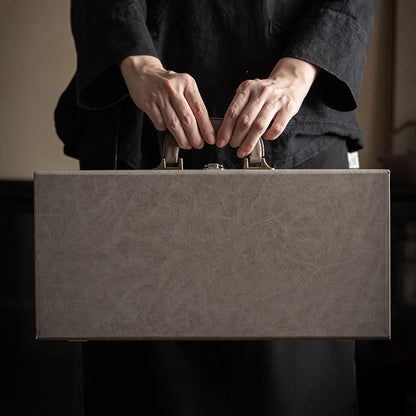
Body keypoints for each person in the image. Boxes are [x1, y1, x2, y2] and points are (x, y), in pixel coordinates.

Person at [55, 1, 380, 414]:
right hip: (138, 120)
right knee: (140, 387)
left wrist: (299, 71)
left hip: (298, 124)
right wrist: (135, 61)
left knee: (295, 385)